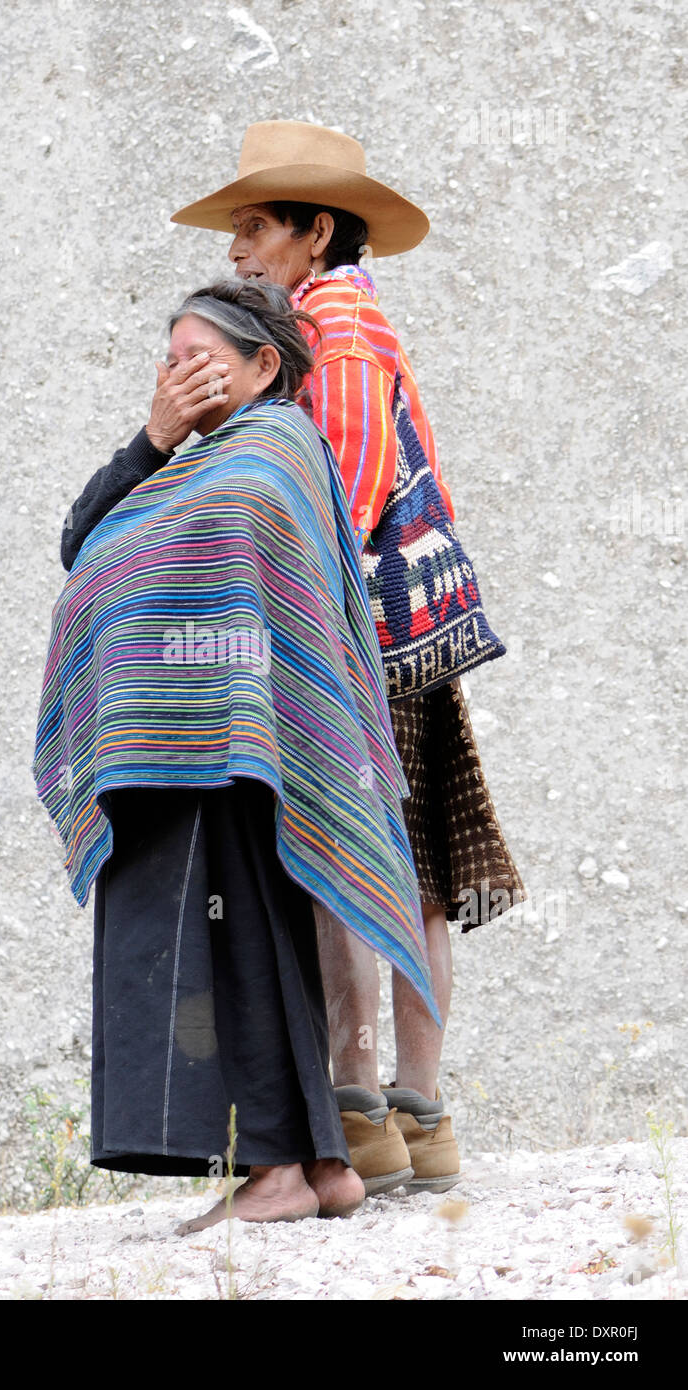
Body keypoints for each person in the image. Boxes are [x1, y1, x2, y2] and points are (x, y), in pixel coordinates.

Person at [32, 279, 439, 1232]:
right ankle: (319, 1165)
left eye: (202, 357)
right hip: (176, 746)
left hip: (225, 747)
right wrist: (151, 441)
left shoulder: (272, 460)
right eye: (170, 360)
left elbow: (227, 577)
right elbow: (77, 541)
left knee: (223, 947)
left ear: (266, 365)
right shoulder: (189, 462)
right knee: (241, 940)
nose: (182, 374)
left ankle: (278, 1170)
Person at [169, 120, 526, 1193]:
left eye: (253, 229)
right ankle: (414, 1111)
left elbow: (350, 489)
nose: (237, 253)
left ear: (314, 232)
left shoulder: (336, 330)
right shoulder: (349, 322)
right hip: (407, 633)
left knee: (350, 863)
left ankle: (367, 1101)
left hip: (368, 639)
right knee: (414, 872)